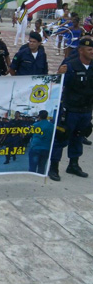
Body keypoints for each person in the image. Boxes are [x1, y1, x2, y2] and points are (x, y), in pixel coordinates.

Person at [48, 38, 93, 181]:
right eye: (89, 49)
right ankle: (53, 167)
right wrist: (59, 74)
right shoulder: (70, 66)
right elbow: (56, 85)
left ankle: (73, 165)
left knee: (78, 138)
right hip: (70, 110)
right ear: (80, 50)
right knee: (61, 138)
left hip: (85, 110)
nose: (92, 52)